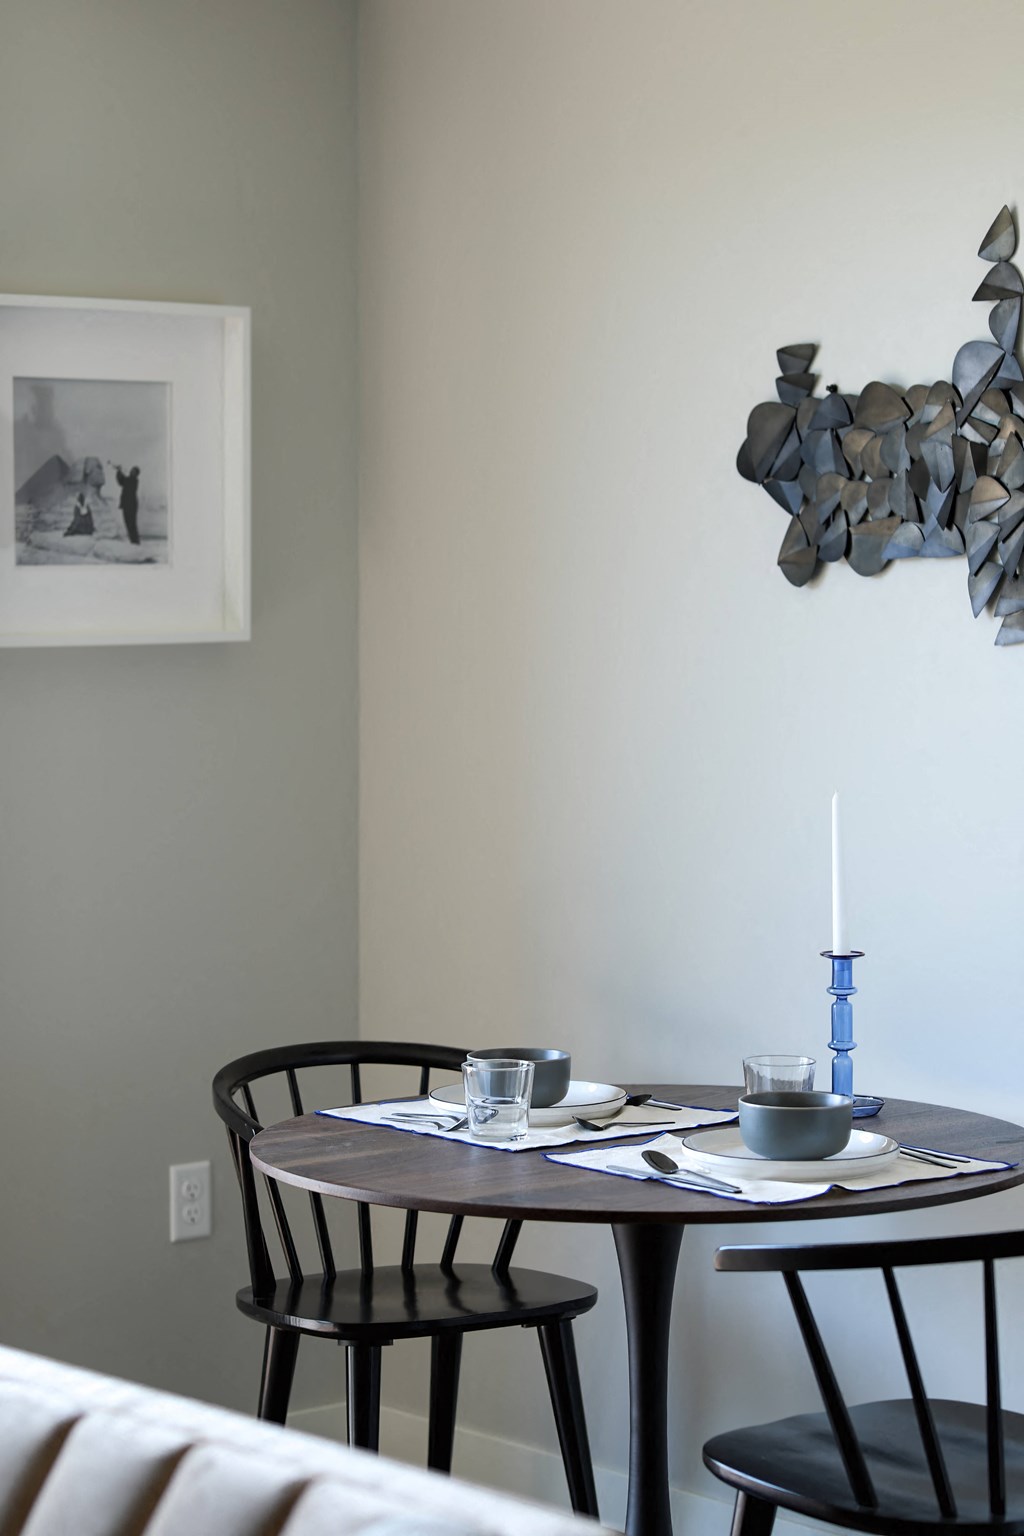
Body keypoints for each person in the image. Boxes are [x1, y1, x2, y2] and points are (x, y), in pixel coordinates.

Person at [114, 464, 141, 545]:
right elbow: (121, 481)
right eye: (131, 470)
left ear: (136, 474)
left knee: (131, 524)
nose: (131, 471)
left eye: (133, 471)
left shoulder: (133, 481)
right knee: (128, 523)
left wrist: (119, 471)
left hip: (131, 505)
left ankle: (135, 541)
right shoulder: (130, 480)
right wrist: (119, 471)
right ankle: (134, 541)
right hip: (128, 505)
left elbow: (123, 481)